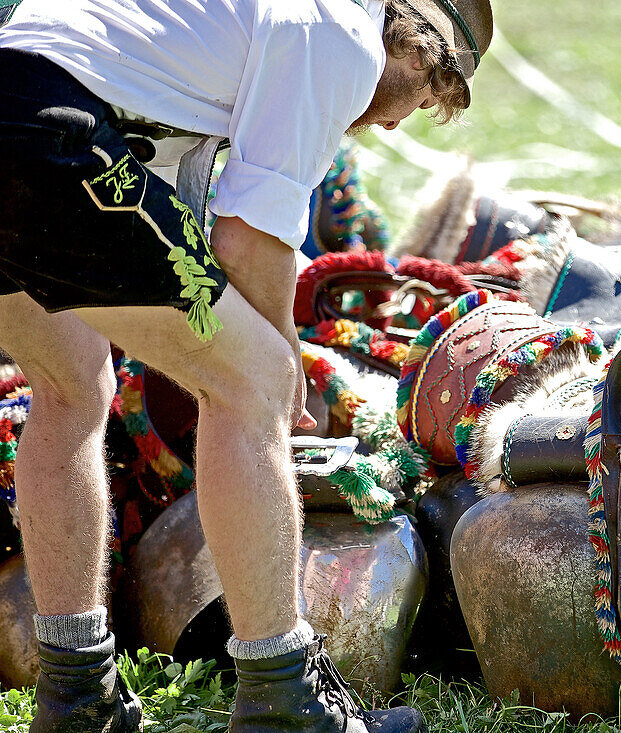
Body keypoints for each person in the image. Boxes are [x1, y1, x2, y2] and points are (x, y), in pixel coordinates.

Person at [0, 0, 492, 730]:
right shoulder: (339, 34)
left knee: (72, 387)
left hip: (23, 102)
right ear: (420, 52)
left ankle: (76, 693)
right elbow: (247, 243)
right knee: (252, 381)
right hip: (46, 135)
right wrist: (282, 359)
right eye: (424, 100)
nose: (395, 123)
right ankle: (282, 697)